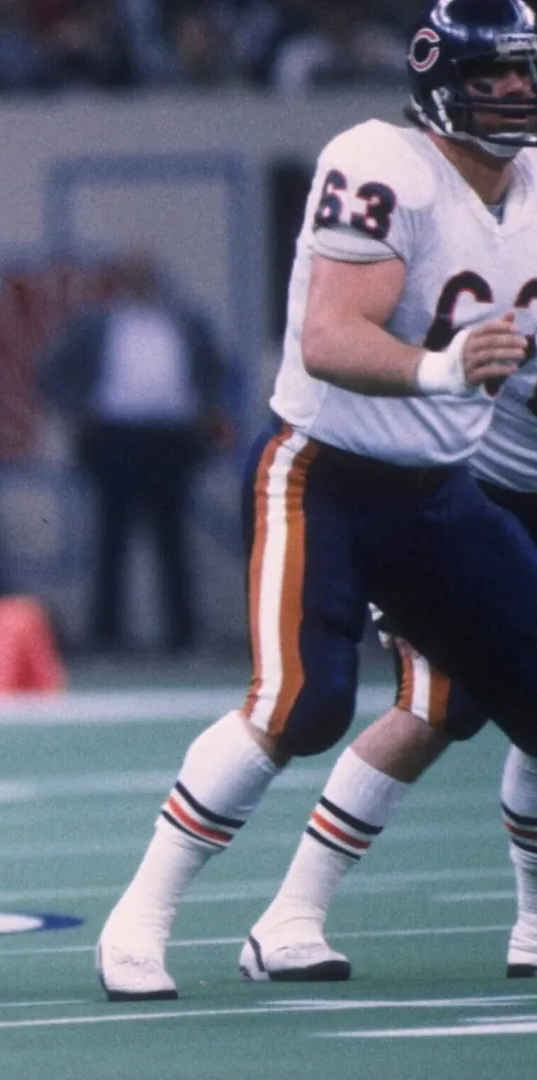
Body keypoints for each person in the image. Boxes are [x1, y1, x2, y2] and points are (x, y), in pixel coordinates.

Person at [96, 0, 537, 1002]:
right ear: (440, 83)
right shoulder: (383, 163)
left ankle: (487, 920)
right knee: (301, 702)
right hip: (326, 474)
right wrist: (443, 367)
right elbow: (332, 337)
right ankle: (140, 920)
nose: (516, 90)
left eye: (526, 71)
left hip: (443, 493)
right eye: (493, 74)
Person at [41, 249, 230, 655]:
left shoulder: (183, 322)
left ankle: (183, 635)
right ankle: (106, 634)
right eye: (131, 276)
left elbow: (216, 368)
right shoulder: (96, 323)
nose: (139, 284)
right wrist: (77, 409)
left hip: (170, 438)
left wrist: (205, 408)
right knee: (112, 539)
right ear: (119, 280)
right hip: (116, 438)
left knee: (171, 539)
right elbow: (52, 368)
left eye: (145, 275)